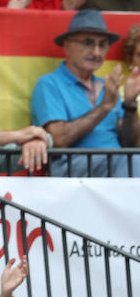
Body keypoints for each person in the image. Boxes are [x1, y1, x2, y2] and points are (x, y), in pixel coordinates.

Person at [32, 10, 140, 175]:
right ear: (67, 46)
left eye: (102, 45)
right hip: (72, 169)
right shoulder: (49, 84)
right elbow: (58, 140)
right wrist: (104, 107)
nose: (96, 52)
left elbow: (131, 144)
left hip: (119, 166)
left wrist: (130, 104)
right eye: (88, 43)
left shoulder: (108, 85)